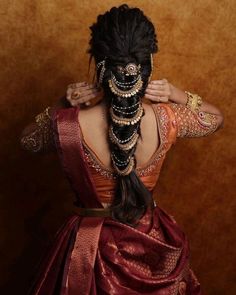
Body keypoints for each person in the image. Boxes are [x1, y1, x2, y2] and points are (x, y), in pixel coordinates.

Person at [20, 4, 224, 295]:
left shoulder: (68, 125)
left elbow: (27, 140)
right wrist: (174, 93)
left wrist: (62, 104)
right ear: (147, 64)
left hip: (88, 253)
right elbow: (216, 119)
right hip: (152, 244)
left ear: (99, 65)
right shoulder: (168, 118)